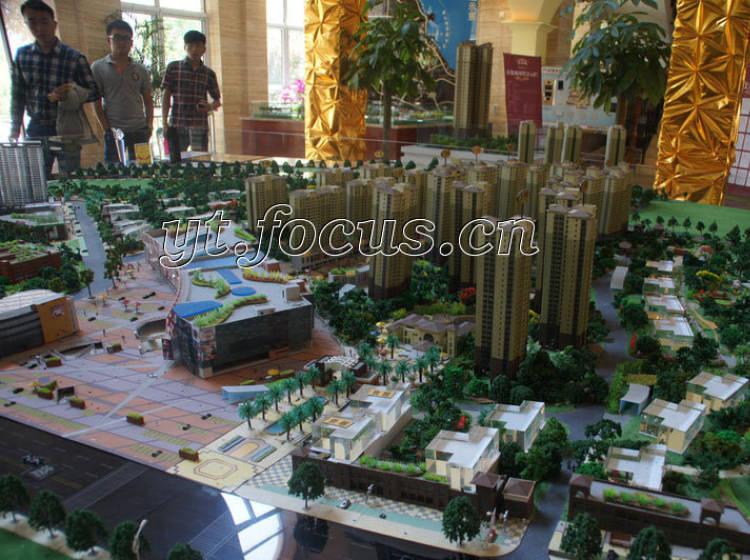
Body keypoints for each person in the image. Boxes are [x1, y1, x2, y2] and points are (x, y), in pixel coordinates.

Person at [9, 0, 99, 177]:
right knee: (37, 179)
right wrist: (15, 127)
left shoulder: (74, 57)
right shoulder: (23, 55)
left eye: (44, 21)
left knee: (71, 178)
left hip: (67, 128)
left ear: (54, 24)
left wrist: (71, 93)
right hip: (36, 127)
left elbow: (94, 91)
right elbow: (17, 94)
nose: (39, 28)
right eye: (32, 22)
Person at [92, 19, 154, 163]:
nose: (121, 42)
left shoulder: (141, 70)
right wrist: (107, 130)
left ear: (131, 42)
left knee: (143, 170)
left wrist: (149, 125)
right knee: (115, 172)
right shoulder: (98, 68)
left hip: (140, 131)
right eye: (117, 37)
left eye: (126, 38)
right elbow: (96, 103)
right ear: (109, 40)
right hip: (115, 133)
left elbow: (148, 101)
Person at [161, 30, 221, 153]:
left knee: (201, 160)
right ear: (185, 47)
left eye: (198, 46)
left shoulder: (209, 73)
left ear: (204, 49)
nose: (194, 49)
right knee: (175, 160)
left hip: (199, 126)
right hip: (177, 124)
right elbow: (166, 96)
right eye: (190, 46)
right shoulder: (173, 68)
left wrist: (209, 107)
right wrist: (164, 123)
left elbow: (217, 101)